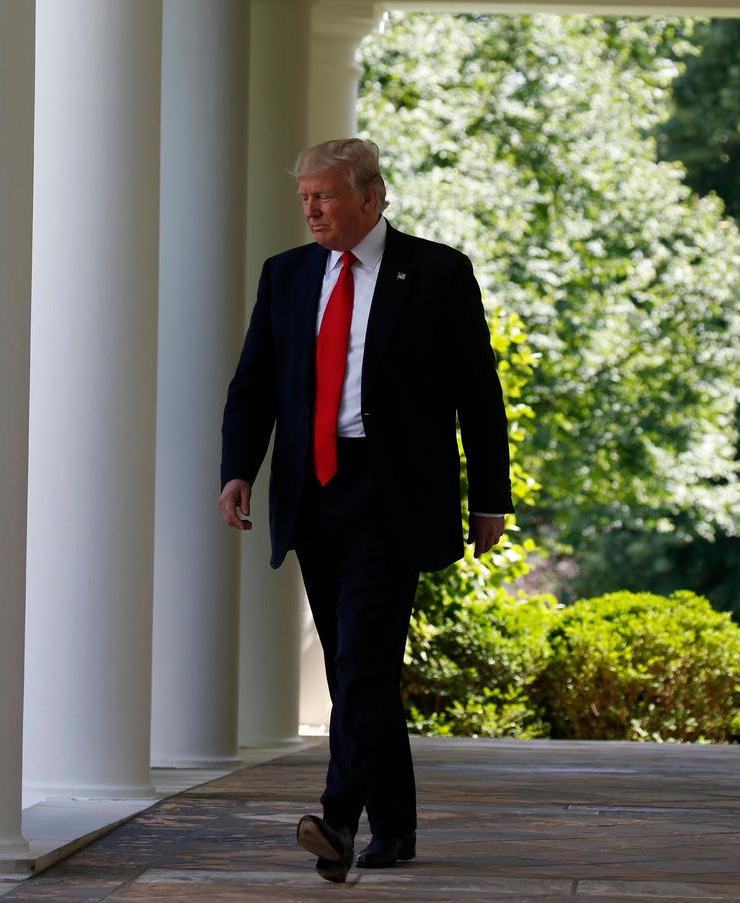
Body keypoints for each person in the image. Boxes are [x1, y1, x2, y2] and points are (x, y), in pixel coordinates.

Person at [218, 138, 513, 884]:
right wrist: (237, 470)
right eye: (305, 198)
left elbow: (477, 392)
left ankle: (339, 818)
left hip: (394, 494)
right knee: (363, 670)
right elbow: (254, 382)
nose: (311, 209)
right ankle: (399, 826)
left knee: (362, 659)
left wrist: (491, 494)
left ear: (370, 199)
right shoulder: (285, 276)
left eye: (324, 195)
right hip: (313, 488)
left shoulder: (438, 272)